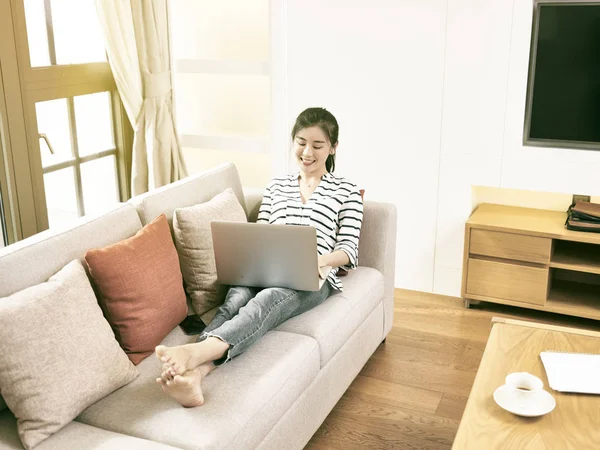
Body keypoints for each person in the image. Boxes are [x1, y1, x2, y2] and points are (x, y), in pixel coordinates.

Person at [155, 107, 364, 407]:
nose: (307, 152)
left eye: (317, 145)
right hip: (265, 267)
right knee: (236, 299)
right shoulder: (277, 186)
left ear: (333, 148)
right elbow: (261, 230)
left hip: (314, 278)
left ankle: (194, 352)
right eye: (301, 142)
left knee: (265, 302)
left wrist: (321, 260)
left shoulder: (345, 192)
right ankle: (196, 375)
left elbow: (349, 250)